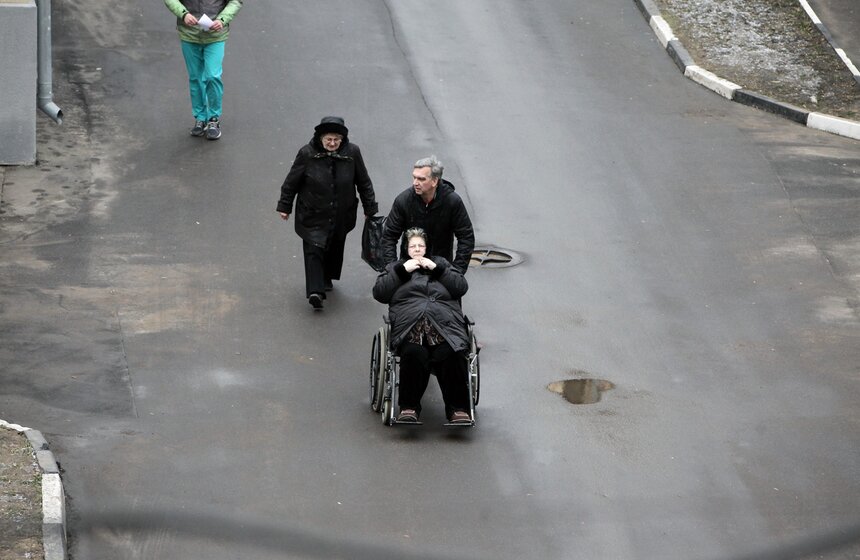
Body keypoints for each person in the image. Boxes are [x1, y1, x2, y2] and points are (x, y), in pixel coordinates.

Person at [373, 228, 472, 424]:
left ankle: (458, 409)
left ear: (427, 248)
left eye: (421, 245)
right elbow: (380, 293)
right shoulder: (396, 267)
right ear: (406, 248)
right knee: (413, 354)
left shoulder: (441, 263)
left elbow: (461, 287)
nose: (417, 249)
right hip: (411, 326)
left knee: (452, 353)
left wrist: (438, 269)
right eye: (413, 246)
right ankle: (409, 407)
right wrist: (403, 271)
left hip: (443, 325)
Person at [277, 117, 378, 309]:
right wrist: (284, 206)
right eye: (328, 140)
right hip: (312, 213)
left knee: (334, 244)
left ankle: (326, 278)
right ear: (321, 138)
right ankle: (315, 291)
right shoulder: (307, 154)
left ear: (342, 139)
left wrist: (370, 207)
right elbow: (292, 182)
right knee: (313, 248)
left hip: (341, 213)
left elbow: (363, 182)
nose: (332, 144)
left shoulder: (353, 153)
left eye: (336, 140)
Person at [381, 156, 475, 274]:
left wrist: (457, 272)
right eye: (414, 177)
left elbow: (466, 237)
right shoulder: (403, 201)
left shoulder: (452, 202)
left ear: (434, 181)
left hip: (440, 269)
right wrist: (394, 271)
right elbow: (389, 236)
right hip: (410, 269)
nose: (415, 183)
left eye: (421, 179)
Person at [163, 0, 243, 140]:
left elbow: (235, 1)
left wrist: (222, 19)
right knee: (195, 78)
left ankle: (213, 119)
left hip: (215, 35)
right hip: (189, 34)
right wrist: (184, 14)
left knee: (213, 76)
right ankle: (200, 118)